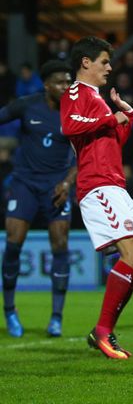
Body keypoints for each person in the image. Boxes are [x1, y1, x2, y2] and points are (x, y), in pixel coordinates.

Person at [61, 36, 133, 359]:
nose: (110, 67)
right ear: (86, 62)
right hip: (96, 185)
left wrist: (127, 115)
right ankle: (102, 330)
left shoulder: (98, 99)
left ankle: (104, 329)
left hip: (116, 184)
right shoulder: (76, 92)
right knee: (130, 255)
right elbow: (69, 126)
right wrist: (111, 118)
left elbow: (112, 141)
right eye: (104, 61)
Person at [1, 60, 75, 338]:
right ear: (46, 85)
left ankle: (56, 317)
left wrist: (67, 183)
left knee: (60, 245)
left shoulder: (75, 112)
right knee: (12, 245)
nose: (66, 87)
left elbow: (83, 155)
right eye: (60, 82)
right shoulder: (27, 105)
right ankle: (10, 311)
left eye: (69, 82)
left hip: (56, 187)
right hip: (25, 185)